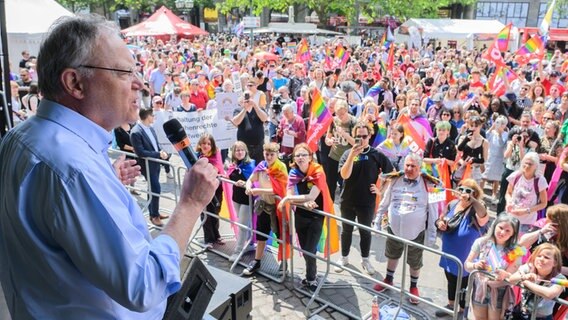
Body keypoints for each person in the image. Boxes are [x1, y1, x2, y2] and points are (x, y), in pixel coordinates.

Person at [0, 15, 219, 318]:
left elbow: (49, 219)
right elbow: (144, 286)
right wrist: (191, 203)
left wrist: (101, 185)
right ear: (75, 83)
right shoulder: (73, 171)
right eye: (124, 72)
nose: (139, 83)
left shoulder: (18, 137)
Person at [373, 153, 439, 304]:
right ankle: (388, 279)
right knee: (392, 254)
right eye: (407, 165)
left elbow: (434, 212)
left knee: (415, 261)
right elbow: (384, 202)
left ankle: (413, 287)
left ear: (420, 168)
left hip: (416, 232)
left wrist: (432, 235)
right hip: (394, 229)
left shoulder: (431, 184)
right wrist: (377, 221)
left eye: (413, 166)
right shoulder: (395, 179)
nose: (409, 169)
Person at [278, 143, 338, 291]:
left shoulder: (318, 171)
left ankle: (311, 278)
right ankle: (311, 275)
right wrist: (300, 202)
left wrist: (289, 200)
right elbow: (290, 194)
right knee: (305, 249)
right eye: (297, 155)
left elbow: (312, 195)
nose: (300, 158)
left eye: (304, 154)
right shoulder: (293, 173)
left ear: (310, 157)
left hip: (316, 216)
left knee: (309, 249)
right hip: (300, 214)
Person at [335, 122, 393, 275]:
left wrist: (381, 189)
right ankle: (344, 257)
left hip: (366, 201)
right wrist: (352, 156)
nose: (361, 139)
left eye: (364, 136)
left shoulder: (376, 154)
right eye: (358, 136)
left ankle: (365, 259)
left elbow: (391, 173)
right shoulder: (347, 154)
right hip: (347, 199)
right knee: (346, 230)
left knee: (365, 232)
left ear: (369, 136)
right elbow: (344, 175)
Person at [435, 179, 489, 317]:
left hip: (465, 254)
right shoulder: (452, 204)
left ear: (475, 194)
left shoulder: (477, 208)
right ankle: (451, 305)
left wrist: (473, 200)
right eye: (461, 189)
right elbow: (440, 218)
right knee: (450, 278)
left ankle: (463, 309)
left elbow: (483, 217)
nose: (464, 193)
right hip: (449, 250)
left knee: (464, 284)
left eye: (468, 191)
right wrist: (440, 223)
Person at [242, 143, 288, 276]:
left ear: (277, 154)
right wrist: (248, 186)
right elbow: (251, 178)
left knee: (281, 236)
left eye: (271, 154)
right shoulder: (262, 165)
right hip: (263, 205)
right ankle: (257, 261)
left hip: (278, 208)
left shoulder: (281, 168)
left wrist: (257, 190)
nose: (268, 157)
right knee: (261, 234)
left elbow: (278, 190)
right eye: (266, 154)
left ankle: (284, 263)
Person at [464, 215, 522, 320]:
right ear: (494, 226)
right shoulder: (481, 242)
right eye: (500, 228)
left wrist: (500, 278)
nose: (502, 232)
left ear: (513, 233)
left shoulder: (516, 251)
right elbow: (466, 265)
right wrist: (475, 265)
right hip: (479, 288)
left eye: (508, 231)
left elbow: (511, 278)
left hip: (499, 293)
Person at [500, 243, 566, 320]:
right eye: (539, 256)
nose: (541, 259)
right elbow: (512, 279)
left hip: (542, 318)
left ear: (555, 263)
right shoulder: (529, 267)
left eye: (546, 257)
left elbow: (549, 294)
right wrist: (524, 277)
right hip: (521, 313)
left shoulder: (560, 279)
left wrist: (526, 283)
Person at [131, 108, 171, 226]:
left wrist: (160, 152)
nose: (154, 117)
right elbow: (140, 152)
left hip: (155, 163)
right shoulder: (136, 132)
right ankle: (154, 216)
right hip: (146, 164)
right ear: (148, 116)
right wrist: (158, 154)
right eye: (152, 115)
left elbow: (155, 145)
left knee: (152, 188)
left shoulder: (151, 129)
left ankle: (154, 212)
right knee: (155, 189)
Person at [227, 141, 256, 262]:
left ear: (246, 151)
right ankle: (249, 244)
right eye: (237, 150)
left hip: (247, 199)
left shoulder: (251, 165)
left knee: (242, 225)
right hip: (236, 198)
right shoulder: (233, 165)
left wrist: (245, 183)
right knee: (243, 222)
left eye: (241, 150)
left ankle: (238, 251)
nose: (239, 152)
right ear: (233, 152)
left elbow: (255, 182)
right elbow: (228, 176)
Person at [505, 152, 548, 233]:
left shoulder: (540, 180)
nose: (527, 166)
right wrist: (509, 202)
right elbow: (508, 193)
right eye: (525, 163)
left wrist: (526, 211)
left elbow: (543, 203)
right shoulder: (516, 176)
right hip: (510, 218)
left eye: (530, 164)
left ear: (536, 166)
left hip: (527, 222)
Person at [195, 133, 225, 247]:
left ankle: (216, 236)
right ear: (200, 145)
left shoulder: (216, 155)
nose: (206, 146)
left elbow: (219, 168)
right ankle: (208, 239)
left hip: (217, 188)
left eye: (209, 143)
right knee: (205, 214)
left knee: (215, 212)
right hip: (203, 189)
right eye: (204, 143)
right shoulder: (198, 158)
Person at [228, 89, 269, 164]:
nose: (247, 99)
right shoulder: (238, 110)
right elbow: (236, 122)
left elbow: (264, 118)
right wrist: (245, 109)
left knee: (259, 168)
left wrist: (255, 105)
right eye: (245, 97)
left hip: (258, 146)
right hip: (244, 147)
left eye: (249, 97)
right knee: (244, 166)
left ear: (253, 98)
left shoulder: (259, 109)